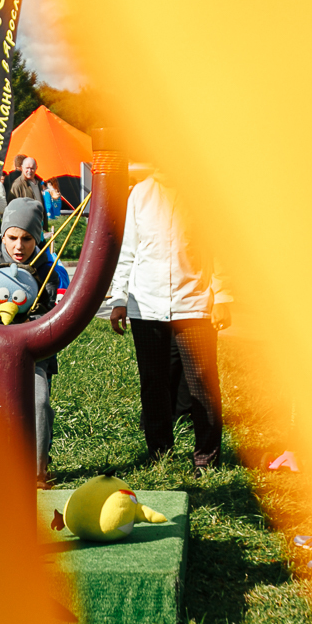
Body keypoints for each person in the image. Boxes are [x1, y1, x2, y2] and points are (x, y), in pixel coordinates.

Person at [105, 165, 229, 470]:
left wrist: (223, 296)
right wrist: (119, 298)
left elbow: (222, 250)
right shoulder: (140, 194)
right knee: (153, 382)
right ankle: (159, 454)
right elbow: (127, 251)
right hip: (146, 304)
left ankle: (206, 459)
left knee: (202, 382)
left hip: (194, 303)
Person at [0, 197, 59, 483]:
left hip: (32, 354)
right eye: (12, 238)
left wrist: (22, 324)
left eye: (27, 239)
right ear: (3, 235)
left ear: (38, 238)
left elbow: (46, 314)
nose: (19, 246)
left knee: (38, 404)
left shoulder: (46, 269)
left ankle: (36, 474)